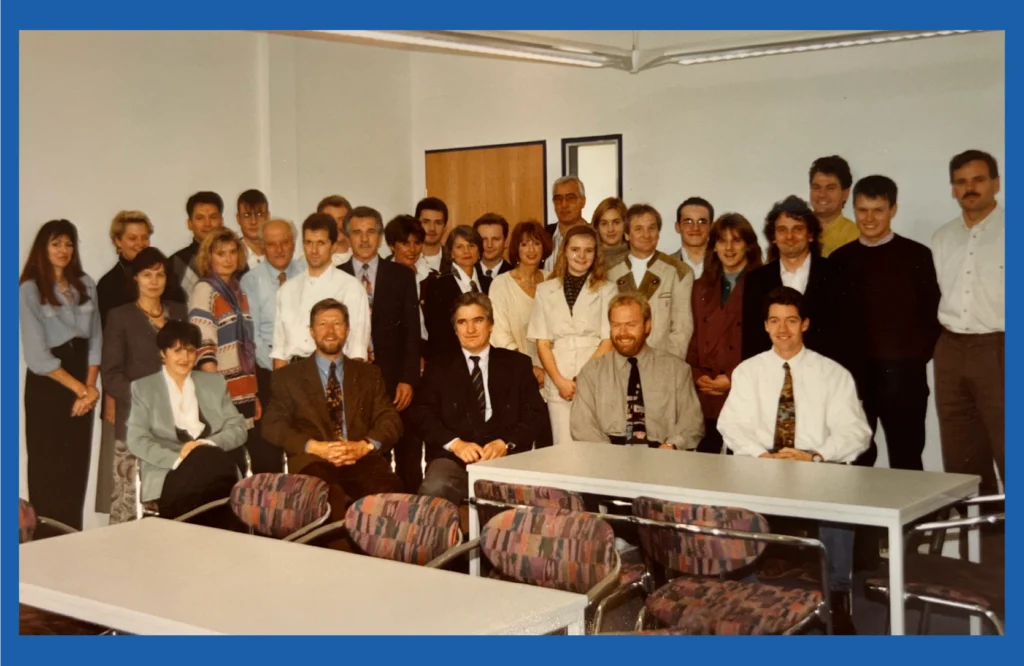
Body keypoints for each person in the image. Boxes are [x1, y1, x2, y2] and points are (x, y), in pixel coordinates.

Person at [718, 286, 870, 634]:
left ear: (805, 324)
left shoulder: (833, 374)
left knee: (838, 497)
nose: (782, 330)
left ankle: (837, 595)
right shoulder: (748, 371)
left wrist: (815, 455)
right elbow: (731, 425)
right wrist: (762, 455)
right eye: (774, 321)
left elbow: (856, 431)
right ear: (766, 326)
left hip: (813, 467)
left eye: (790, 321)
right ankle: (746, 591)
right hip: (760, 465)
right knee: (728, 499)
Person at [829, 176, 941, 470]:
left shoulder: (917, 256)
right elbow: (834, 321)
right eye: (862, 210)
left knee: (906, 458)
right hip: (855, 379)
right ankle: (861, 518)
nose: (869, 218)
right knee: (856, 458)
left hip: (903, 377)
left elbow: (933, 313)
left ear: (893, 209)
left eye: (878, 210)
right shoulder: (840, 260)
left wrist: (914, 358)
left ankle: (912, 519)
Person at [262, 298, 404, 527]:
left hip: (361, 457)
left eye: (337, 323)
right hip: (314, 460)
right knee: (329, 500)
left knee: (389, 494)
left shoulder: (369, 374)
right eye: (322, 324)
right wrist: (316, 447)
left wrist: (364, 446)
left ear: (347, 330)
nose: (330, 331)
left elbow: (390, 419)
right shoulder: (288, 377)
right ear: (311, 331)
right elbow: (272, 424)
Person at [411, 293, 551, 506]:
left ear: (491, 324)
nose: (470, 329)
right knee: (434, 488)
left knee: (534, 500)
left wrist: (505, 442)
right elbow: (422, 414)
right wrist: (456, 445)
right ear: (455, 329)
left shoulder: (517, 364)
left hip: (507, 457)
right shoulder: (438, 367)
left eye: (478, 320)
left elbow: (535, 415)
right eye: (462, 322)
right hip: (453, 459)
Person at [95, 210, 184, 514]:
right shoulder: (120, 317)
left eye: (159, 274)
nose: (154, 280)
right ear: (135, 278)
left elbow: (190, 366)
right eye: (147, 274)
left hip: (177, 424)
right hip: (136, 422)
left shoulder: (179, 311)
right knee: (131, 510)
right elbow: (111, 375)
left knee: (174, 504)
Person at [19, 219, 102, 531]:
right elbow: (38, 357)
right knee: (48, 467)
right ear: (43, 247)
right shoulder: (29, 288)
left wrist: (90, 387)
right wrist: (80, 389)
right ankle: (45, 542)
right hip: (49, 386)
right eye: (56, 244)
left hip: (83, 380)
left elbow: (96, 341)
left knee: (75, 467)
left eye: (69, 244)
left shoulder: (86, 284)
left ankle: (72, 538)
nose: (64, 250)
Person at [931, 149, 1004, 499]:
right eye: (961, 182)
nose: (969, 188)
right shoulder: (943, 238)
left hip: (1000, 349)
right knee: (961, 456)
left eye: (977, 180)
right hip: (951, 350)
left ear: (996, 184)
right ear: (952, 189)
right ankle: (977, 545)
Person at [126, 320, 247, 520]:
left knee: (205, 456)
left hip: (214, 468)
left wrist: (204, 444)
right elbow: (137, 439)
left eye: (191, 351)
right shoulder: (144, 388)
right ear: (163, 354)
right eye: (177, 351)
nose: (185, 357)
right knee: (205, 466)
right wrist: (180, 458)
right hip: (170, 470)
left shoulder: (214, 383)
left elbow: (238, 427)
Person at [339, 206, 422, 493]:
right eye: (357, 233)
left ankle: (414, 519)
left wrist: (409, 379)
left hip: (396, 381)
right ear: (347, 236)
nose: (364, 239)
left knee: (409, 456)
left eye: (371, 232)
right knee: (369, 460)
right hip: (354, 383)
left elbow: (412, 333)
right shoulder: (336, 278)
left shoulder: (401, 276)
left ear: (380, 236)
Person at [571, 292, 703, 450]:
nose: (623, 333)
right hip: (608, 454)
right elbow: (582, 425)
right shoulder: (592, 371)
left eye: (631, 325)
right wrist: (611, 456)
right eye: (616, 325)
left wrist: (672, 446)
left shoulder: (676, 369)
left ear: (647, 325)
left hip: (661, 454)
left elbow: (692, 424)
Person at [741, 195, 856, 376]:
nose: (789, 236)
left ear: (810, 234)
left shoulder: (837, 274)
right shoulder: (756, 280)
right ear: (773, 237)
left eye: (798, 229)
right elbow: (752, 340)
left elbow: (850, 335)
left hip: (826, 377)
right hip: (772, 377)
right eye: (782, 230)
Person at [528, 225, 615, 446]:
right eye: (575, 249)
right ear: (565, 251)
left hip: (594, 376)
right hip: (559, 381)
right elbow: (543, 343)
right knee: (563, 449)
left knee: (595, 449)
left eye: (589, 250)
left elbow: (608, 340)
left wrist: (582, 379)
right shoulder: (545, 290)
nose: (582, 256)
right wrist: (560, 382)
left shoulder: (608, 289)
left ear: (596, 254)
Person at [188, 227, 266, 473]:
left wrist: (254, 393)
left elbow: (247, 346)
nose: (228, 258)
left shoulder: (238, 291)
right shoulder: (205, 290)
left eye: (233, 252)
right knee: (231, 464)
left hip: (244, 389)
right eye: (221, 253)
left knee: (253, 462)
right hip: (222, 392)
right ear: (209, 257)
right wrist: (216, 396)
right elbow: (203, 345)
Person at [686, 213, 763, 454]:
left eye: (737, 240)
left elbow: (764, 344)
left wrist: (732, 377)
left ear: (748, 246)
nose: (729, 248)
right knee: (703, 465)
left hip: (743, 388)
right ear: (714, 246)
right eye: (722, 241)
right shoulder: (700, 286)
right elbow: (692, 336)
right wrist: (697, 374)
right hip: (705, 390)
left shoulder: (761, 284)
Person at [239, 218, 304, 472]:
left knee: (304, 449)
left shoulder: (308, 274)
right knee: (267, 452)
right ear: (263, 247)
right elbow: (252, 335)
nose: (279, 249)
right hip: (267, 373)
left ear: (294, 243)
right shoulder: (250, 281)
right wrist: (278, 364)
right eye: (272, 244)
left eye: (285, 242)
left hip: (304, 374)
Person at [271, 213, 371, 367]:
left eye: (321, 243)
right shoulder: (287, 290)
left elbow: (357, 350)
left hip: (334, 371)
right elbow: (280, 350)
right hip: (293, 374)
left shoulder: (351, 287)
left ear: (334, 246)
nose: (314, 250)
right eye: (309, 243)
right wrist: (279, 388)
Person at [607, 204, 694, 357]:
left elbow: (682, 329)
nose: (646, 235)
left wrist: (670, 366)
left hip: (662, 363)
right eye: (638, 229)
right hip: (620, 363)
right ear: (626, 234)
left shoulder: (678, 271)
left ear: (658, 233)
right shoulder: (611, 272)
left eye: (652, 228)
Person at [489, 220, 552, 392]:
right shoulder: (501, 284)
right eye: (524, 244)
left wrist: (550, 370)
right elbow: (499, 334)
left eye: (537, 243)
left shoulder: (553, 281)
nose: (531, 250)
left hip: (553, 375)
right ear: (516, 248)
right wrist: (528, 368)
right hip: (515, 373)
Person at [97, 210, 186, 328]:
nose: (140, 243)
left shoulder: (166, 272)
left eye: (145, 237)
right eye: (133, 238)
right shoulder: (107, 284)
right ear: (118, 241)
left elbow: (179, 311)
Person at [421, 225, 492, 362]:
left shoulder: (489, 283)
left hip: (486, 358)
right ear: (451, 253)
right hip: (450, 360)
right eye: (459, 247)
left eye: (471, 246)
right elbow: (436, 332)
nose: (466, 251)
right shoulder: (437, 285)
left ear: (479, 251)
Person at [171, 191, 225, 297]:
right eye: (200, 218)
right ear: (190, 224)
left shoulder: (234, 257)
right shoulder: (176, 263)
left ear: (221, 221)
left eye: (213, 217)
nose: (207, 224)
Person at [384, 214, 428, 343]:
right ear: (392, 245)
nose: (412, 250)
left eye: (417, 243)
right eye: (405, 243)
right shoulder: (381, 276)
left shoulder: (431, 277)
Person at [809, 155, 859, 257]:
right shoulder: (794, 229)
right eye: (816, 187)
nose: (822, 194)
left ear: (845, 193)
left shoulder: (856, 236)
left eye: (830, 188)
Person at [544, 176, 587, 271]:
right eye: (558, 199)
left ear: (583, 202)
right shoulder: (543, 235)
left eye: (570, 198)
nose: (564, 204)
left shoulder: (595, 235)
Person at [671, 196, 714, 279]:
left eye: (702, 222)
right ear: (677, 227)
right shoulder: (664, 266)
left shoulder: (726, 263)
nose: (695, 228)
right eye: (688, 222)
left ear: (711, 227)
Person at [415, 197, 453, 278]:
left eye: (438, 223)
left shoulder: (454, 260)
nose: (432, 228)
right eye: (426, 222)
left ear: (445, 227)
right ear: (416, 225)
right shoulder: (402, 260)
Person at [236, 189, 270, 270]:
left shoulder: (278, 251)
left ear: (268, 217)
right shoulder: (232, 254)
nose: (253, 221)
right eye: (247, 215)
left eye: (259, 215)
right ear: (238, 219)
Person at [592, 196, 629, 268]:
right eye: (604, 224)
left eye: (616, 222)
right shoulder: (589, 258)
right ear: (597, 227)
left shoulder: (636, 256)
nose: (610, 229)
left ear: (625, 224)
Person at [473, 213, 513, 278]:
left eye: (495, 239)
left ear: (505, 242)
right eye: (483, 239)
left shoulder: (514, 275)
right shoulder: (465, 274)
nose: (489, 245)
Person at [317, 195, 353, 265]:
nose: (336, 225)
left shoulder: (362, 258)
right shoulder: (307, 262)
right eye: (330, 220)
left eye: (342, 219)